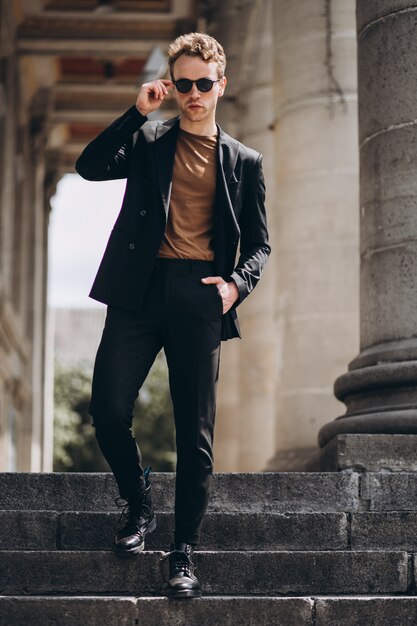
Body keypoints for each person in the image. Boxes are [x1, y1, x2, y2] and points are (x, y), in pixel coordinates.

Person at [75, 31, 270, 599]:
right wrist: (134, 115)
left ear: (220, 86)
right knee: (108, 409)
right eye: (182, 84)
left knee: (196, 435)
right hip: (138, 291)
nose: (192, 94)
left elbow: (259, 245)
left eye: (202, 84)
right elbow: (89, 167)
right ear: (172, 85)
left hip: (200, 295)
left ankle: (183, 551)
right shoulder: (150, 142)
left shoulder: (245, 162)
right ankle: (138, 500)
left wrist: (235, 286)